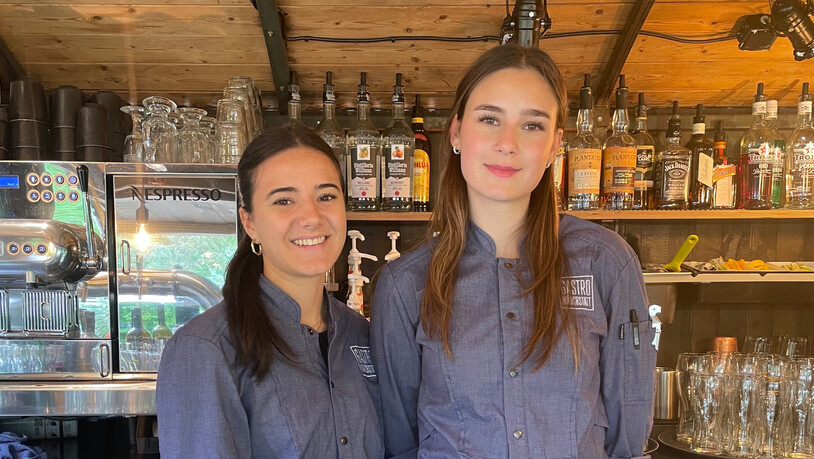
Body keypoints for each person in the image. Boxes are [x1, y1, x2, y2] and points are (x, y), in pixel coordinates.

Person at [370, 44, 657, 459]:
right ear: (456, 132)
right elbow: (400, 441)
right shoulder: (405, 284)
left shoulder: (607, 262)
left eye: (532, 125)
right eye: (490, 119)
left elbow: (628, 435)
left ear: (555, 145)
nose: (508, 143)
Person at [157, 126, 384, 458]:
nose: (311, 217)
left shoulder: (360, 334)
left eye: (326, 197)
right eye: (284, 200)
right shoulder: (205, 348)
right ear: (250, 223)